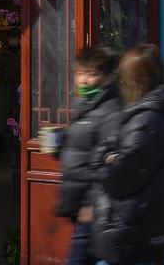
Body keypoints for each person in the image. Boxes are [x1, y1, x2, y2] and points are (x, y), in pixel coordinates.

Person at [91, 44, 164, 265]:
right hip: (136, 225)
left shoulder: (147, 120)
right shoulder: (147, 114)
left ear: (135, 79)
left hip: (131, 229)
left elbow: (121, 176)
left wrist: (106, 162)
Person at [57, 47, 123, 265]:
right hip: (82, 209)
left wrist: (91, 205)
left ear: (107, 77)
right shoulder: (87, 106)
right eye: (79, 73)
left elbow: (109, 164)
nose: (83, 80)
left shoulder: (112, 111)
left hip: (94, 212)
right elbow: (83, 149)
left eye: (91, 74)